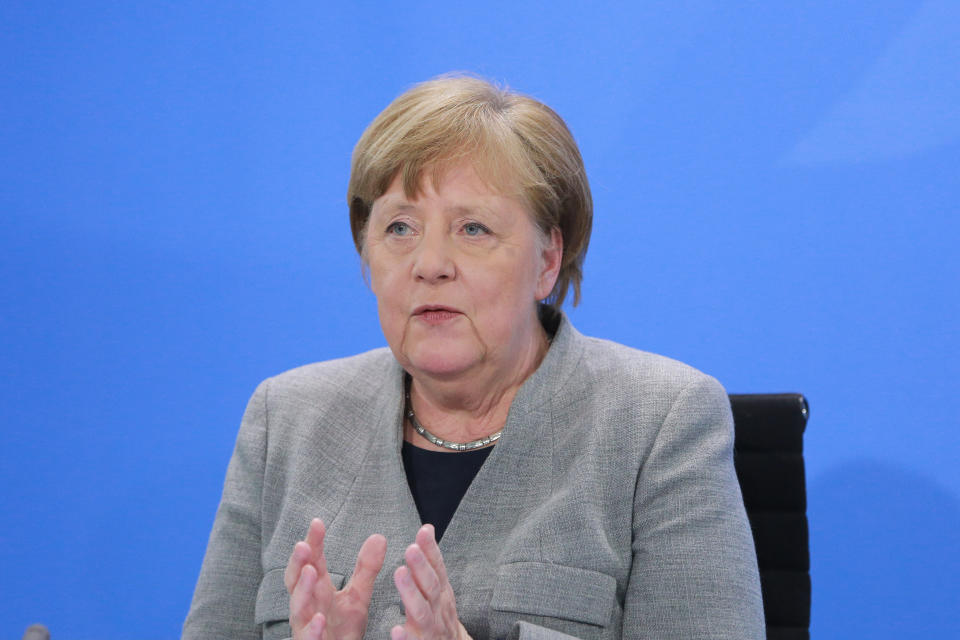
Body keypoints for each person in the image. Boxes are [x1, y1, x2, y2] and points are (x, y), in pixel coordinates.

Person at [183, 75, 764, 640]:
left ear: (546, 260)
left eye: (474, 228)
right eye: (401, 227)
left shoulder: (659, 423)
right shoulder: (284, 420)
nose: (430, 262)